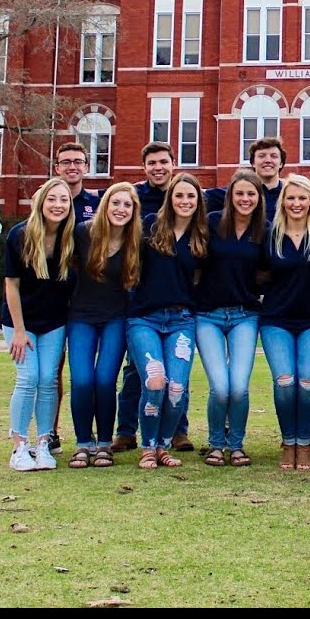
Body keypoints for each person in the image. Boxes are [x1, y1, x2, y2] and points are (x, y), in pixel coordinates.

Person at [114, 142, 194, 453]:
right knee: (138, 367)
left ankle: (177, 431)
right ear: (144, 167)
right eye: (152, 163)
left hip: (178, 295)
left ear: (173, 164)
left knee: (177, 371)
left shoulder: (188, 197)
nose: (158, 168)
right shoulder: (136, 197)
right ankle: (126, 430)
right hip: (142, 292)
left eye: (163, 161)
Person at [126, 173, 208, 469]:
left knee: (176, 387)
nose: (185, 201)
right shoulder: (150, 225)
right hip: (144, 318)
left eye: (191, 196)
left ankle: (162, 446)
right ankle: (147, 446)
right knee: (155, 380)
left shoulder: (201, 236)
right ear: (170, 199)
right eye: (179, 195)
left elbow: (200, 278)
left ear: (198, 201)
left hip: (182, 320)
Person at [258, 175, 310, 471]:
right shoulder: (269, 234)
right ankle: (288, 440)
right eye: (291, 198)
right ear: (283, 202)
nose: (296, 203)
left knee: (307, 382)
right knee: (285, 382)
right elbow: (257, 274)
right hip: (276, 318)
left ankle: (303, 443)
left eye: (302, 198)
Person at [65, 182, 140, 469]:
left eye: (127, 205)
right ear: (105, 205)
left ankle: (105, 444)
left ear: (133, 211)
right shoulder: (83, 234)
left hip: (116, 318)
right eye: (116, 203)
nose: (121, 209)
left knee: (105, 380)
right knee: (83, 380)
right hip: (81, 316)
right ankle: (84, 443)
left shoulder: (135, 242)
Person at [2, 178, 76, 471]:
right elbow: (11, 285)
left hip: (55, 322)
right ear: (41, 202)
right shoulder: (20, 235)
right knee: (28, 377)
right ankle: (19, 446)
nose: (58, 205)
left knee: (48, 380)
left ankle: (43, 443)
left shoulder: (70, 239)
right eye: (52, 199)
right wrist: (19, 331)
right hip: (21, 322)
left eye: (64, 200)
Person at [196, 170, 267, 468]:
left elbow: (268, 272)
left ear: (259, 198)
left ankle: (236, 445)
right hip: (208, 315)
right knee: (220, 387)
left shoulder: (264, 230)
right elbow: (195, 264)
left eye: (251, 194)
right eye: (239, 193)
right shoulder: (212, 223)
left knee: (238, 386)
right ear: (230, 196)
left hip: (244, 315)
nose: (245, 199)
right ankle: (216, 445)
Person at [45, 142, 101, 455]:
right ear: (57, 167)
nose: (72, 167)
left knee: (88, 371)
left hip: (89, 298)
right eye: (66, 162)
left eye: (78, 162)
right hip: (54, 296)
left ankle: (93, 431)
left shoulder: (96, 202)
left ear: (86, 166)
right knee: (53, 370)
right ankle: (50, 431)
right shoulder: (47, 201)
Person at [205, 137, 286, 220]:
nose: (268, 160)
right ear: (253, 163)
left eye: (274, 156)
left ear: (281, 163)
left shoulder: (289, 195)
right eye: (262, 156)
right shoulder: (230, 194)